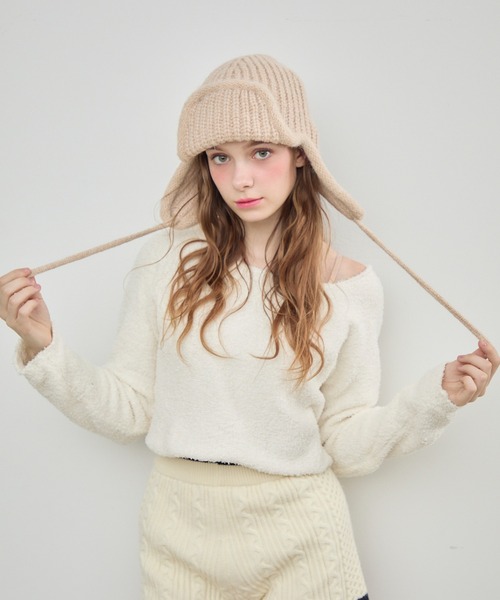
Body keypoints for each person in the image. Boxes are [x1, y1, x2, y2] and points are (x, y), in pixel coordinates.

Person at [0, 55, 498, 600]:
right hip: (178, 535)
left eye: (262, 152)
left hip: (304, 539)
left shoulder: (351, 287)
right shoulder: (166, 261)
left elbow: (346, 443)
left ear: (301, 154)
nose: (240, 178)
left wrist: (435, 399)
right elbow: (129, 411)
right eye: (220, 156)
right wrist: (42, 345)